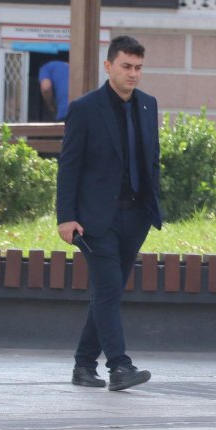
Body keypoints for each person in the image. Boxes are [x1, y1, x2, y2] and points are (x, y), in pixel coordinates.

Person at [56, 35, 162, 391]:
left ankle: (84, 364)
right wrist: (65, 216)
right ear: (108, 66)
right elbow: (69, 165)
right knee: (108, 289)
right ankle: (119, 366)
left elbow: (152, 160)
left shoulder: (147, 105)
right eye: (126, 66)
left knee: (109, 291)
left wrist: (152, 206)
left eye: (138, 68)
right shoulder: (85, 109)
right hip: (95, 219)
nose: (133, 74)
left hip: (135, 216)